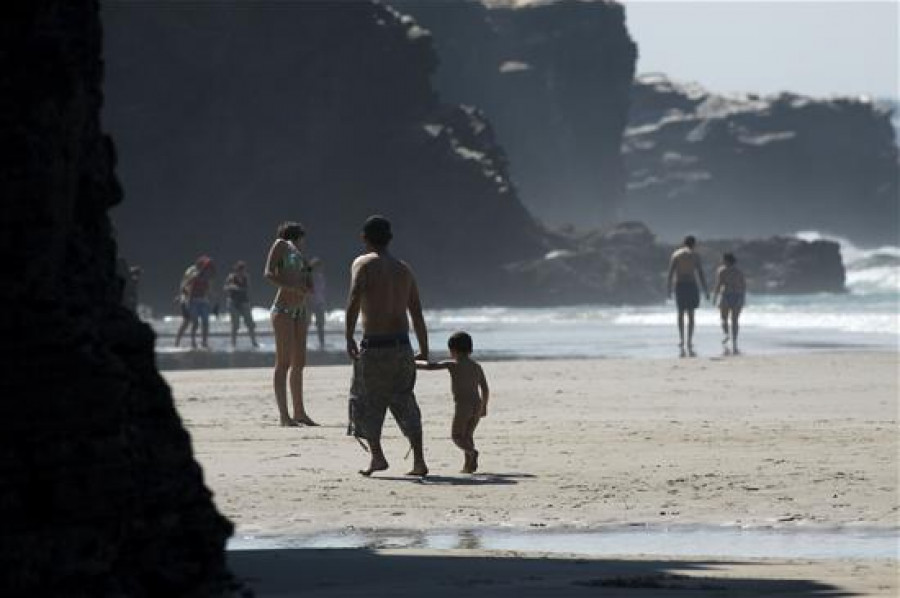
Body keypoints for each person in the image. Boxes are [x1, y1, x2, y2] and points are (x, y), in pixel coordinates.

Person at [346, 215, 430, 477]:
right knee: (405, 401)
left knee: (368, 402)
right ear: (390, 239)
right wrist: (424, 349)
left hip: (375, 346)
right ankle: (419, 461)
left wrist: (348, 336)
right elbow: (416, 312)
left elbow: (354, 300)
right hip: (402, 345)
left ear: (364, 238)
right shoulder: (404, 269)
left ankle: (378, 458)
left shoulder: (363, 263)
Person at [264, 221, 318, 427]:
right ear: (297, 235)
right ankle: (284, 416)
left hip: (301, 309)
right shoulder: (281, 244)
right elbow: (268, 273)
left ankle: (299, 412)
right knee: (283, 363)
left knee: (299, 363)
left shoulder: (301, 255)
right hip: (283, 309)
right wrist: (292, 287)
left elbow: (306, 281)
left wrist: (307, 281)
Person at [417, 332, 490, 474]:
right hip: (477, 404)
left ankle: (472, 452)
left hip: (463, 406)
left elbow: (430, 366)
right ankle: (469, 466)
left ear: (452, 350)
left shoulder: (452, 364)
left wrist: (413, 363)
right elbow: (485, 388)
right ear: (470, 349)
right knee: (467, 436)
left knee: (456, 436)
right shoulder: (476, 366)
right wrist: (484, 406)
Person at [667, 235, 709, 357]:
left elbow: (670, 273)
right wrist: (706, 290)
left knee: (680, 313)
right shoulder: (695, 256)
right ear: (694, 244)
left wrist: (668, 289)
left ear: (683, 243)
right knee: (691, 314)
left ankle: (681, 339)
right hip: (691, 285)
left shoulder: (676, 254)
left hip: (680, 285)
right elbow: (700, 273)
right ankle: (689, 340)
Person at [712, 252, 747, 355]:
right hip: (737, 295)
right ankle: (734, 340)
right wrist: (743, 298)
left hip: (727, 295)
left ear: (726, 260)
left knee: (724, 318)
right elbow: (743, 285)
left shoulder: (722, 270)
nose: (722, 261)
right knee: (734, 320)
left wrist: (715, 297)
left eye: (723, 259)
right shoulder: (739, 271)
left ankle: (727, 335)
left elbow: (718, 284)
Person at [224, 260, 258, 349]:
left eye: (243, 270)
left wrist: (248, 301)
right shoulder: (231, 277)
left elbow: (247, 289)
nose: (241, 272)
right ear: (236, 270)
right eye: (239, 270)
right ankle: (233, 344)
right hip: (233, 303)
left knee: (250, 324)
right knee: (235, 325)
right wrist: (232, 287)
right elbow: (225, 287)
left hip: (244, 302)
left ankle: (254, 342)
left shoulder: (246, 277)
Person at [307, 257, 327, 350]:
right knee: (307, 324)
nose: (320, 268)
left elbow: (321, 291)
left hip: (319, 303)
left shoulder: (320, 276)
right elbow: (308, 291)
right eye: (318, 266)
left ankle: (322, 343)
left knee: (320, 325)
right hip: (310, 303)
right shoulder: (309, 276)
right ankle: (302, 343)